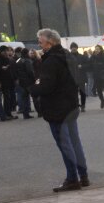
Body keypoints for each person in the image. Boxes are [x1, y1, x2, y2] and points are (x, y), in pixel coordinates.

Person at [32, 29, 89, 192]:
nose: (39, 44)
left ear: (50, 43)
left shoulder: (51, 61)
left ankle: (72, 179)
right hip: (70, 105)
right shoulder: (67, 56)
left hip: (57, 107)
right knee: (74, 141)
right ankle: (83, 175)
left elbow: (47, 86)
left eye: (40, 42)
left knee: (65, 144)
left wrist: (32, 88)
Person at [13, 47, 36, 119]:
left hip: (21, 82)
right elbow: (30, 71)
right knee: (35, 96)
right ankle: (40, 112)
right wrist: (34, 78)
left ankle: (25, 114)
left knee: (24, 98)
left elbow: (15, 70)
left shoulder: (18, 60)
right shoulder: (27, 60)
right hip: (28, 81)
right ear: (26, 53)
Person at [91, 45, 104, 110]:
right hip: (97, 76)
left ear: (101, 49)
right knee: (99, 90)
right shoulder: (93, 57)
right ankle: (102, 100)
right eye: (96, 49)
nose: (96, 50)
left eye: (98, 49)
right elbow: (90, 64)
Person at [67, 43, 88, 111]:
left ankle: (83, 106)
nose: (73, 48)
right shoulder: (67, 57)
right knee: (74, 94)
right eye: (72, 47)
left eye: (75, 47)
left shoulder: (82, 56)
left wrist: (82, 66)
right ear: (70, 48)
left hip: (81, 77)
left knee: (82, 93)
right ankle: (76, 106)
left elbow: (88, 65)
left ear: (77, 48)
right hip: (72, 78)